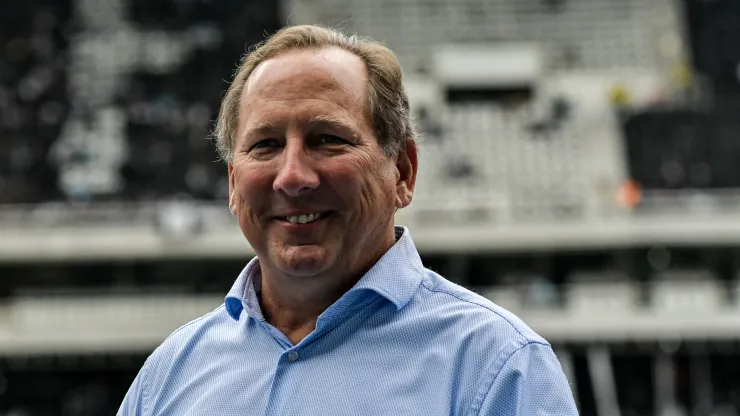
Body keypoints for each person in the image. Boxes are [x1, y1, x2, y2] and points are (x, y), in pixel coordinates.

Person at [118, 25, 579, 415]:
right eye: (265, 145)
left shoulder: (498, 369)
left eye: (327, 139)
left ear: (402, 171)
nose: (292, 176)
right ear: (234, 184)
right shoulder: (169, 376)